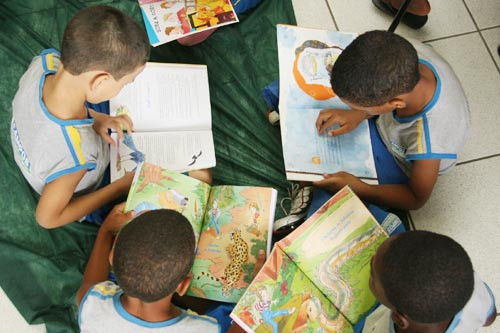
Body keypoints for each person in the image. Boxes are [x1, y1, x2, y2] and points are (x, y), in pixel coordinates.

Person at [10, 5, 150, 228]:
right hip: (74, 184)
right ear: (100, 81)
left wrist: (98, 118)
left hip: (40, 139)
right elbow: (46, 218)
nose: (124, 88)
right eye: (125, 83)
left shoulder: (46, 63)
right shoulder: (77, 154)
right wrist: (118, 188)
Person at [313, 30, 469, 211]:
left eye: (362, 107)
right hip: (393, 124)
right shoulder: (404, 53)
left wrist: (361, 188)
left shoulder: (429, 141)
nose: (355, 110)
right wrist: (360, 114)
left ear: (396, 104)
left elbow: (415, 198)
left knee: (331, 195)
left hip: (404, 160)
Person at [77, 205, 221, 332]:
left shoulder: (91, 305)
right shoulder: (205, 329)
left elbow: (90, 284)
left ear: (111, 257)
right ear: (183, 285)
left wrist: (106, 230)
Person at [361, 230, 496, 332]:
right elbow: (490, 317)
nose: (372, 259)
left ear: (399, 320)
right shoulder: (473, 289)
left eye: (372, 276)